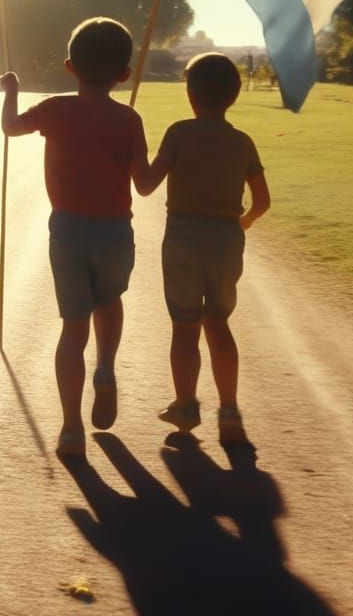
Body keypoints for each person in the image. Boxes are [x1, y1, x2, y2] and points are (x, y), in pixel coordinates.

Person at [0, 17, 149, 458]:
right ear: (124, 74)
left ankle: (70, 428)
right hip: (115, 230)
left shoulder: (54, 108)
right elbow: (142, 184)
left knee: (72, 327)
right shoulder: (128, 118)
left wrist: (11, 91)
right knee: (110, 301)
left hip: (66, 228)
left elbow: (10, 128)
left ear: (69, 66)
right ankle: (105, 367)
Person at [138, 52, 270, 446]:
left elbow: (146, 185)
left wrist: (128, 158)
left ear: (190, 93)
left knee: (185, 326)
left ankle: (186, 405)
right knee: (218, 323)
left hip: (182, 237)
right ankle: (228, 410)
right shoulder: (242, 142)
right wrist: (242, 221)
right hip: (226, 240)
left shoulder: (178, 133)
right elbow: (262, 201)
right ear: (235, 94)